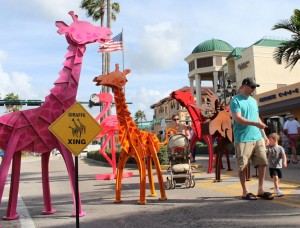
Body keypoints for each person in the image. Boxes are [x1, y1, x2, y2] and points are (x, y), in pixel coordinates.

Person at [230, 77, 273, 200]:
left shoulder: (253, 101)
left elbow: (257, 117)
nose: (254, 89)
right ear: (244, 86)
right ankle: (245, 191)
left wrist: (264, 135)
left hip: (257, 137)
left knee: (263, 163)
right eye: (252, 87)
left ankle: (260, 189)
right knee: (243, 165)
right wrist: (255, 124)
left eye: (255, 87)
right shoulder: (235, 100)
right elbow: (238, 118)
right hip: (243, 138)